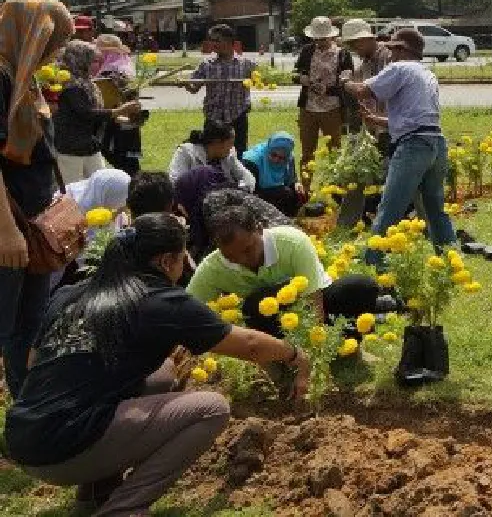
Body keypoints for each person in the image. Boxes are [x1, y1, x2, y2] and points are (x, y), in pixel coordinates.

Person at [4, 214, 310, 517]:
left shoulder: (69, 294)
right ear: (166, 262)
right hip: (65, 446)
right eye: (182, 258)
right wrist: (296, 356)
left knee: (160, 376)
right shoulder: (161, 301)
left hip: (23, 438)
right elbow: (251, 346)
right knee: (211, 408)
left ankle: (95, 493)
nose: (183, 266)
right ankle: (124, 507)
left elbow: (34, 363)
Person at [0, 0, 75, 396]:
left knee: (27, 324)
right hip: (10, 229)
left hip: (35, 227)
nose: (56, 50)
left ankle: (23, 409)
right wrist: (7, 232)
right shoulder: (0, 77)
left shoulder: (22, 78)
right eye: (52, 39)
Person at [187, 203, 385, 334]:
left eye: (248, 249)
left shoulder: (292, 242)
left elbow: (314, 300)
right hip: (271, 322)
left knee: (361, 286)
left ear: (259, 229)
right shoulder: (213, 267)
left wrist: (316, 342)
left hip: (319, 303)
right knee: (255, 305)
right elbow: (186, 309)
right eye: (231, 256)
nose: (242, 260)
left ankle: (348, 336)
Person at [344, 28, 458, 248]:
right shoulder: (427, 73)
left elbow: (361, 91)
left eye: (393, 49)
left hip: (413, 145)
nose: (391, 54)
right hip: (435, 142)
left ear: (402, 50)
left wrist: (345, 81)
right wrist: (377, 120)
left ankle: (374, 262)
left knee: (389, 208)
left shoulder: (399, 68)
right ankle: (450, 258)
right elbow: (416, 117)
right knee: (435, 210)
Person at [53, 40, 141, 184]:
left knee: (101, 184)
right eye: (94, 61)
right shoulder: (71, 86)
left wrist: (125, 120)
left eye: (100, 61)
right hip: (70, 148)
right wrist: (119, 111)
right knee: (73, 192)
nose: (98, 65)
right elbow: (87, 114)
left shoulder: (88, 84)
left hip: (89, 145)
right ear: (80, 61)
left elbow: (96, 115)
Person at [294, 16, 355, 181]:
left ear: (331, 36)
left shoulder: (343, 54)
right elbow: (295, 74)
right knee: (307, 152)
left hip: (332, 108)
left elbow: (346, 81)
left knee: (334, 150)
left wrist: (327, 89)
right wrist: (302, 79)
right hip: (308, 108)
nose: (320, 41)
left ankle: (337, 186)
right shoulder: (307, 51)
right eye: (317, 38)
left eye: (323, 38)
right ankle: (305, 189)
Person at [185, 24, 256, 156]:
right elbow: (194, 88)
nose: (213, 44)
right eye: (212, 40)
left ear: (230, 42)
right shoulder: (206, 64)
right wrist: (186, 84)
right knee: (211, 155)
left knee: (238, 155)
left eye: (217, 40)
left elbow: (260, 80)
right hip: (214, 117)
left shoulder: (247, 64)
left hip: (237, 117)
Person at [95, 33, 148, 177]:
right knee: (129, 162)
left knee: (124, 164)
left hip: (117, 123)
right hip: (128, 121)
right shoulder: (126, 68)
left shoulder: (110, 71)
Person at [167, 122, 256, 192]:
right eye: (230, 143)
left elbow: (249, 178)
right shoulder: (186, 152)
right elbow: (174, 181)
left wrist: (237, 189)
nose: (232, 147)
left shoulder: (229, 155)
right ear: (216, 142)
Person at [341, 18, 393, 135]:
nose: (353, 49)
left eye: (353, 44)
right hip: (374, 126)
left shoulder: (387, 56)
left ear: (366, 39)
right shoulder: (365, 62)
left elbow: (362, 90)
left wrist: (346, 82)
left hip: (389, 126)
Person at [242, 132, 304, 217]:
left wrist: (296, 183)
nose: (276, 160)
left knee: (299, 194)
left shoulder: (289, 158)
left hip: (276, 193)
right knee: (285, 193)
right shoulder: (252, 161)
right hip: (254, 194)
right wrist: (278, 192)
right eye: (273, 155)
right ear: (269, 149)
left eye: (282, 158)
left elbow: (291, 178)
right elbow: (249, 191)